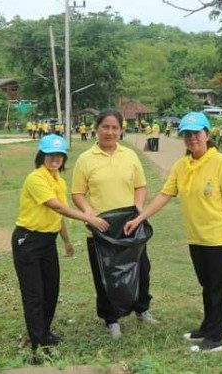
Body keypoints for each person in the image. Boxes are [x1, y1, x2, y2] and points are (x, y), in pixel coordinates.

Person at [123, 111, 222, 353]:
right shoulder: (181, 165)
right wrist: (140, 218)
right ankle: (207, 327)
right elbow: (165, 195)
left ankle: (215, 338)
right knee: (206, 285)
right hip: (196, 237)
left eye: (196, 133)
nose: (192, 138)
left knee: (218, 287)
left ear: (207, 134)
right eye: (187, 134)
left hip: (218, 238)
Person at [12, 134, 109, 356]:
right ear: (42, 156)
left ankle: (45, 332)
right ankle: (38, 345)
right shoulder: (35, 179)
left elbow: (58, 215)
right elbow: (57, 206)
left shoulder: (59, 180)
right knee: (34, 294)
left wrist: (65, 240)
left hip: (48, 241)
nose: (55, 159)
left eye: (60, 156)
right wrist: (89, 218)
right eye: (50, 155)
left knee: (51, 290)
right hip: (27, 241)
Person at [71, 109, 158, 340]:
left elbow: (140, 186)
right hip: (102, 228)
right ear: (96, 129)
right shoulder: (85, 159)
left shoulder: (129, 155)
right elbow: (78, 193)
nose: (110, 132)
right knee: (104, 276)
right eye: (105, 127)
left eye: (114, 128)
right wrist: (89, 214)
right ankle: (111, 320)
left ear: (121, 130)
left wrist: (139, 206)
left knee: (141, 269)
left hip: (130, 224)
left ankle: (142, 309)